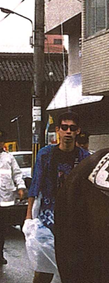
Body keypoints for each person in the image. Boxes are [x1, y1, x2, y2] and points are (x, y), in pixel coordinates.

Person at [25, 111, 90, 283]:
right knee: (43, 270)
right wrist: (28, 217)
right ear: (58, 130)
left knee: (74, 270)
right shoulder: (45, 155)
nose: (68, 131)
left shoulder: (85, 158)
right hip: (48, 219)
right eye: (64, 127)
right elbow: (35, 185)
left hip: (74, 220)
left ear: (78, 131)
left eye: (72, 128)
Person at [0, 129, 26, 265]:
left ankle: (0, 254)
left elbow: (17, 174)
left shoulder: (9, 158)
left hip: (6, 200)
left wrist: (21, 187)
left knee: (2, 228)